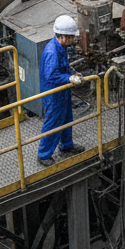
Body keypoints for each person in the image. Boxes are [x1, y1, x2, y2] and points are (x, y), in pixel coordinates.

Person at [37, 15, 85, 167]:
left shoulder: (61, 47)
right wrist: (69, 79)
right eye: (71, 37)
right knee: (53, 122)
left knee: (66, 118)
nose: (72, 40)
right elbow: (51, 75)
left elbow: (63, 68)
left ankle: (66, 145)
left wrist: (72, 74)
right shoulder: (52, 52)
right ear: (62, 36)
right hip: (53, 94)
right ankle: (43, 154)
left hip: (62, 92)